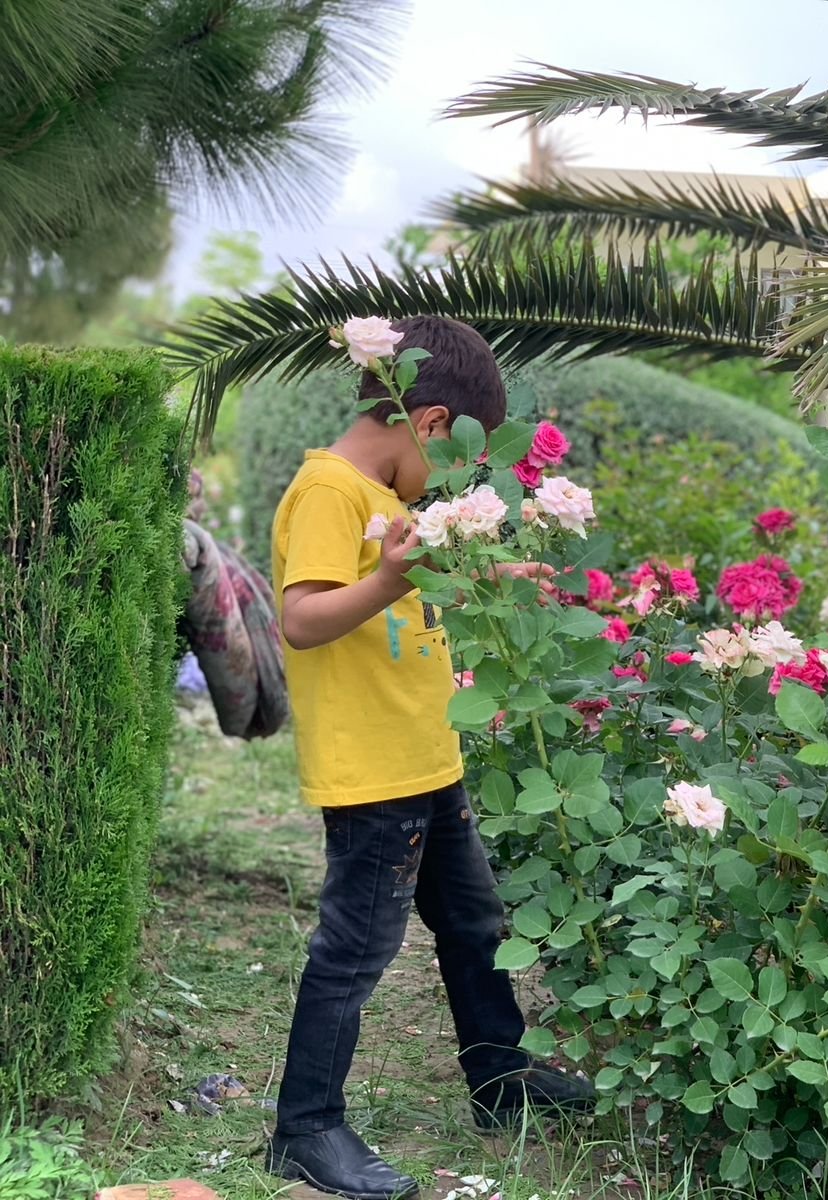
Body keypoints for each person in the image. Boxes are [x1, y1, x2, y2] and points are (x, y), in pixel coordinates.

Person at [265, 315, 592, 1200]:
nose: (451, 482)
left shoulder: (386, 498)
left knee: (474, 922)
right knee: (357, 948)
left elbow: (414, 596)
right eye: (455, 462)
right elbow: (303, 617)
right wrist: (387, 581)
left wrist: (490, 578)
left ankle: (500, 1076)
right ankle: (306, 1129)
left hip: (426, 760)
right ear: (432, 422)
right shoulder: (331, 492)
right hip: (374, 773)